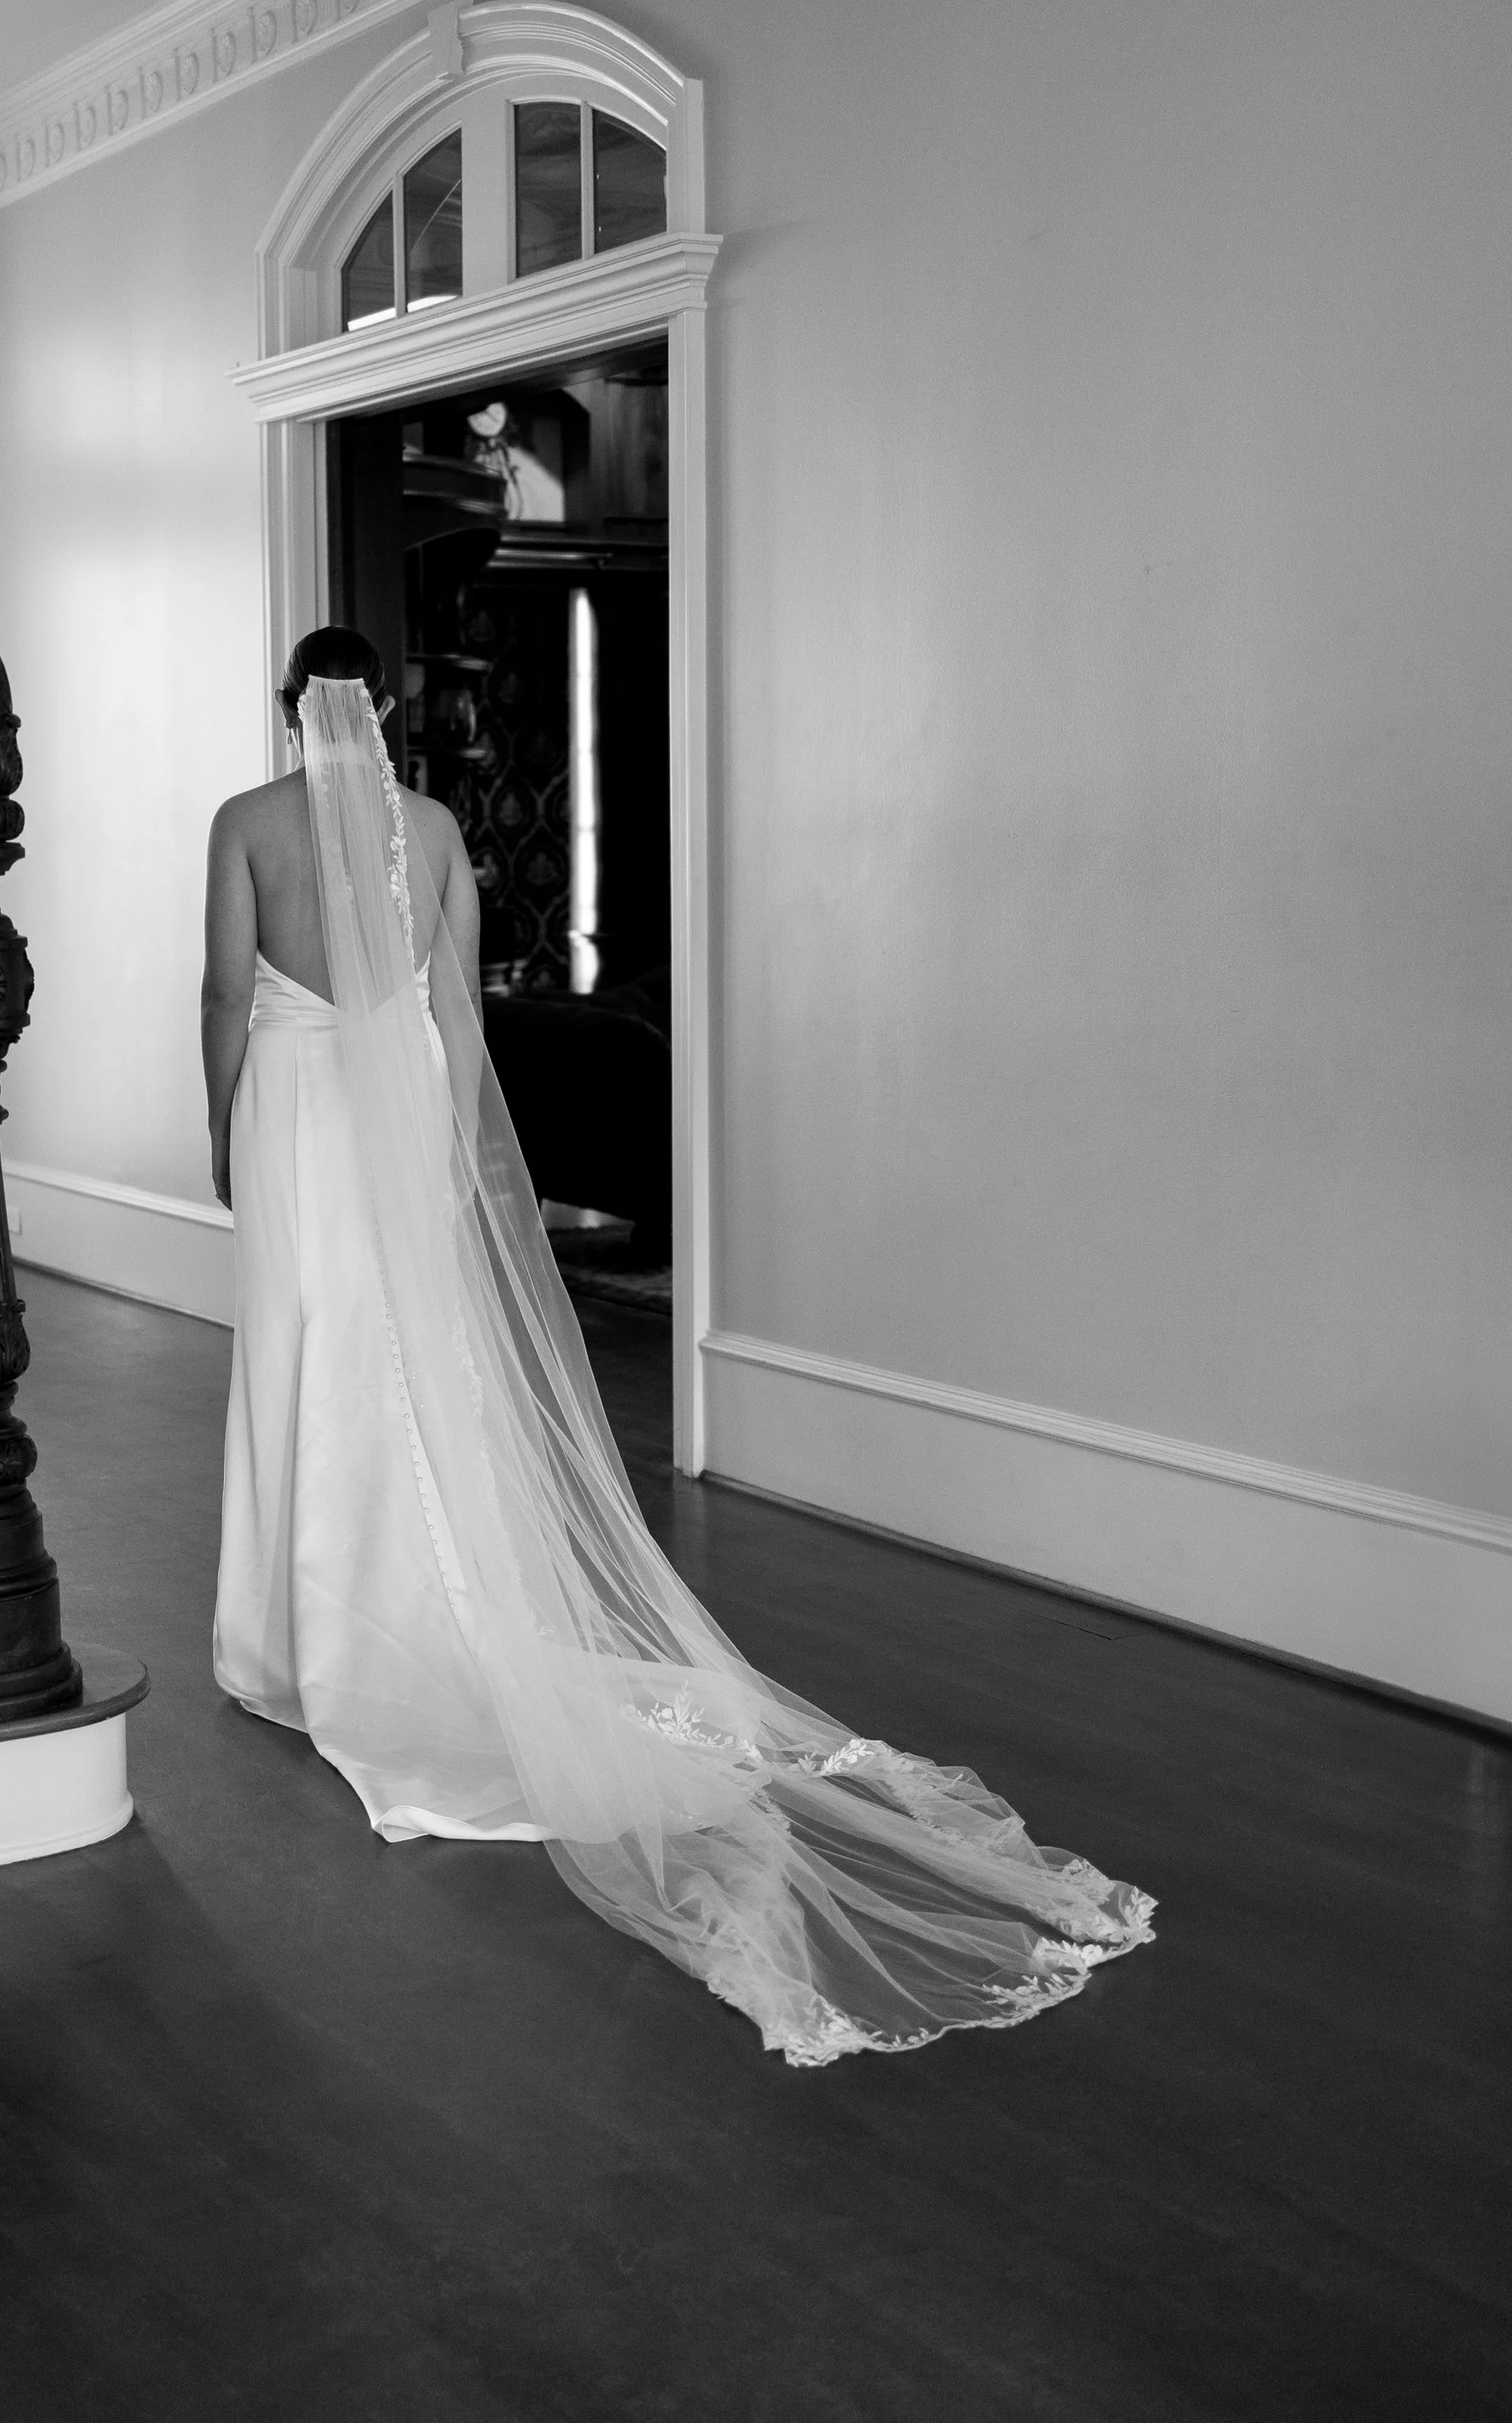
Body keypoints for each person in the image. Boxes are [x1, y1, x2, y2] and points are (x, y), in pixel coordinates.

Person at [203, 626, 1155, 2065]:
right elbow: (455, 1005)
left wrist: (222, 1126)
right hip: (395, 1102)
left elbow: (226, 994)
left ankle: (300, 1642)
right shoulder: (435, 827)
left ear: (292, 710)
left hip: (291, 1107)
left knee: (304, 1349)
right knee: (407, 1364)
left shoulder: (246, 822)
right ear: (381, 708)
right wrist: (450, 1145)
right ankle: (415, 1614)